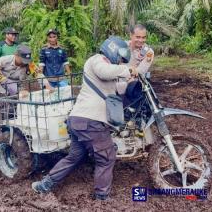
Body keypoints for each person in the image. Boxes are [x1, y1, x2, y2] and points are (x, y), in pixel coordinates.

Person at [32, 36, 136, 200]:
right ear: (113, 50)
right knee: (106, 158)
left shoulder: (109, 67)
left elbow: (118, 89)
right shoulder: (97, 61)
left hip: (80, 121)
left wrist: (131, 80)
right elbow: (105, 71)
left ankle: (44, 185)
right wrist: (128, 69)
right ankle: (102, 196)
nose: (120, 62)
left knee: (74, 157)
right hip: (90, 122)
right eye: (120, 58)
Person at [117, 24, 154, 102]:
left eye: (143, 37)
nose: (141, 40)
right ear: (131, 35)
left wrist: (124, 71)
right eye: (138, 37)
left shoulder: (148, 52)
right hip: (117, 84)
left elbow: (140, 71)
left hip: (134, 86)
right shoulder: (122, 46)